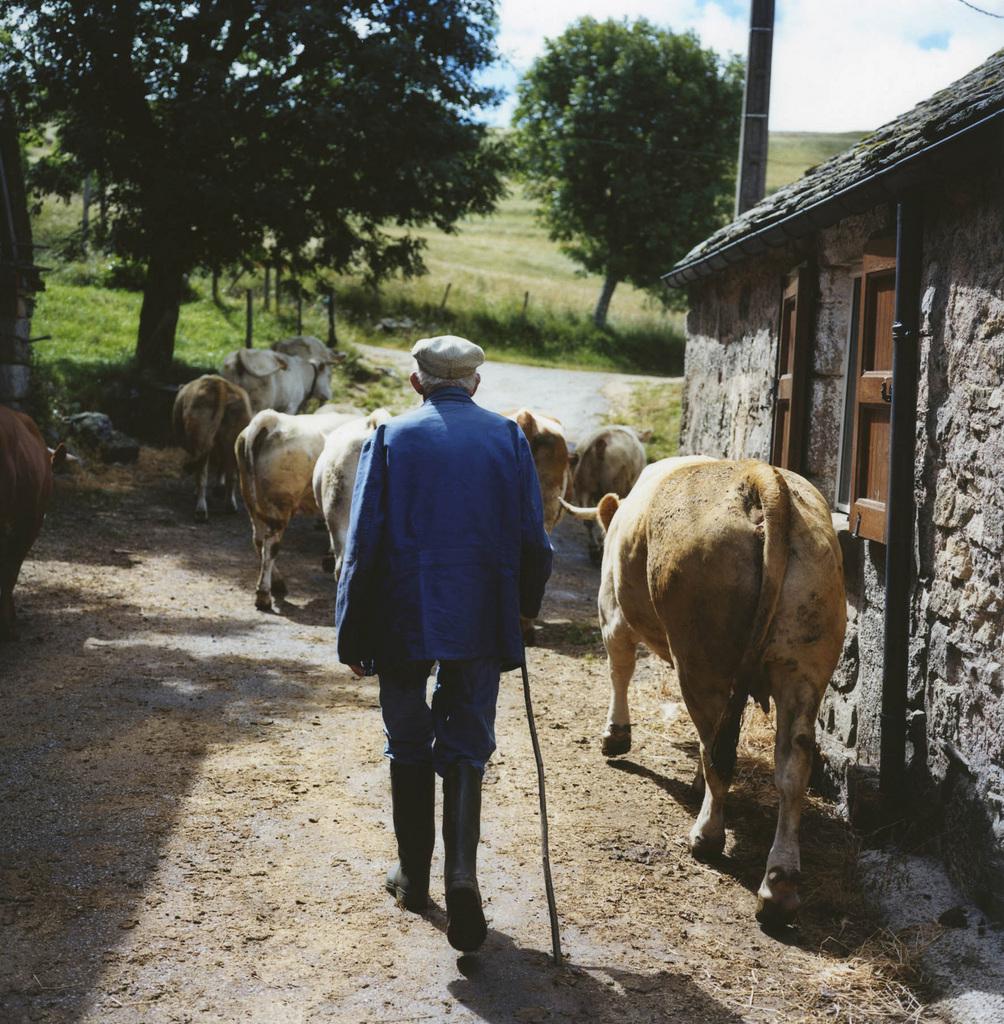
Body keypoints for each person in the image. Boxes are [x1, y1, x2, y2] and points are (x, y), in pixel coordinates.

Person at [335, 335, 553, 953]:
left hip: (403, 616)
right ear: (476, 384)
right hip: (481, 616)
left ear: (416, 382)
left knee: (407, 739)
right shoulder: (509, 438)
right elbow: (535, 541)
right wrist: (523, 610)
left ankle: (413, 877)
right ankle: (463, 876)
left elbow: (363, 544)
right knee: (467, 743)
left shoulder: (389, 436)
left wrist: (352, 630)